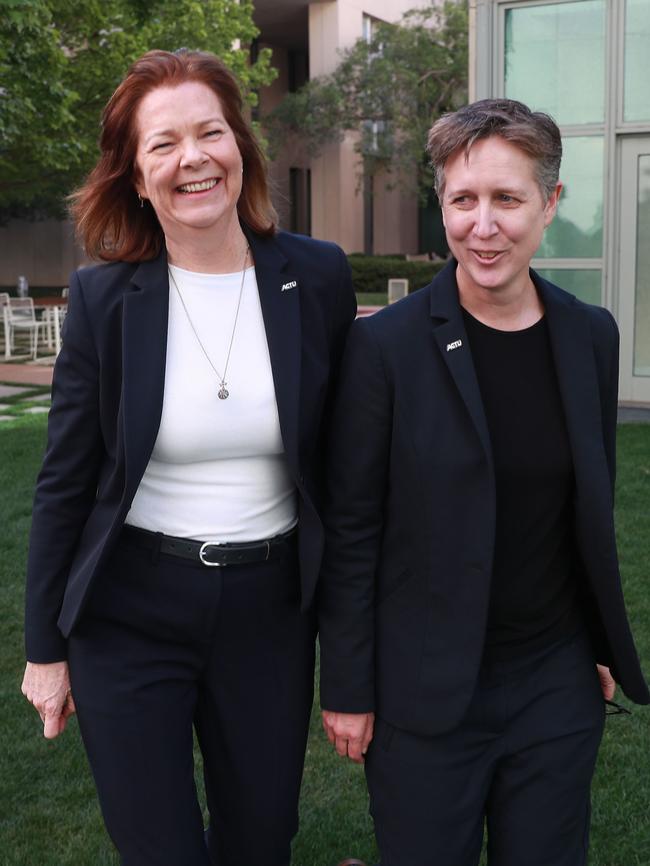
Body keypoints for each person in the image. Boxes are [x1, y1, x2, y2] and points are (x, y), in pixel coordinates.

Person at [21, 48, 355, 866]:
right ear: (137, 178)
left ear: (240, 147)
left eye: (211, 132)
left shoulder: (316, 278)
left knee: (260, 838)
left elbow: (348, 476)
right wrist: (44, 650)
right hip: (128, 612)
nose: (192, 158)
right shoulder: (105, 300)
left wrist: (352, 649)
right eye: (163, 144)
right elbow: (63, 484)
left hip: (269, 613)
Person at [318, 99, 649, 866]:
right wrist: (347, 687)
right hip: (423, 697)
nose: (484, 224)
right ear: (442, 206)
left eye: (508, 198)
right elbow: (353, 529)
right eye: (463, 200)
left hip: (553, 686)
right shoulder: (385, 349)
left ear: (550, 202)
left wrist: (594, 644)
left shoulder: (589, 336)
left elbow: (586, 506)